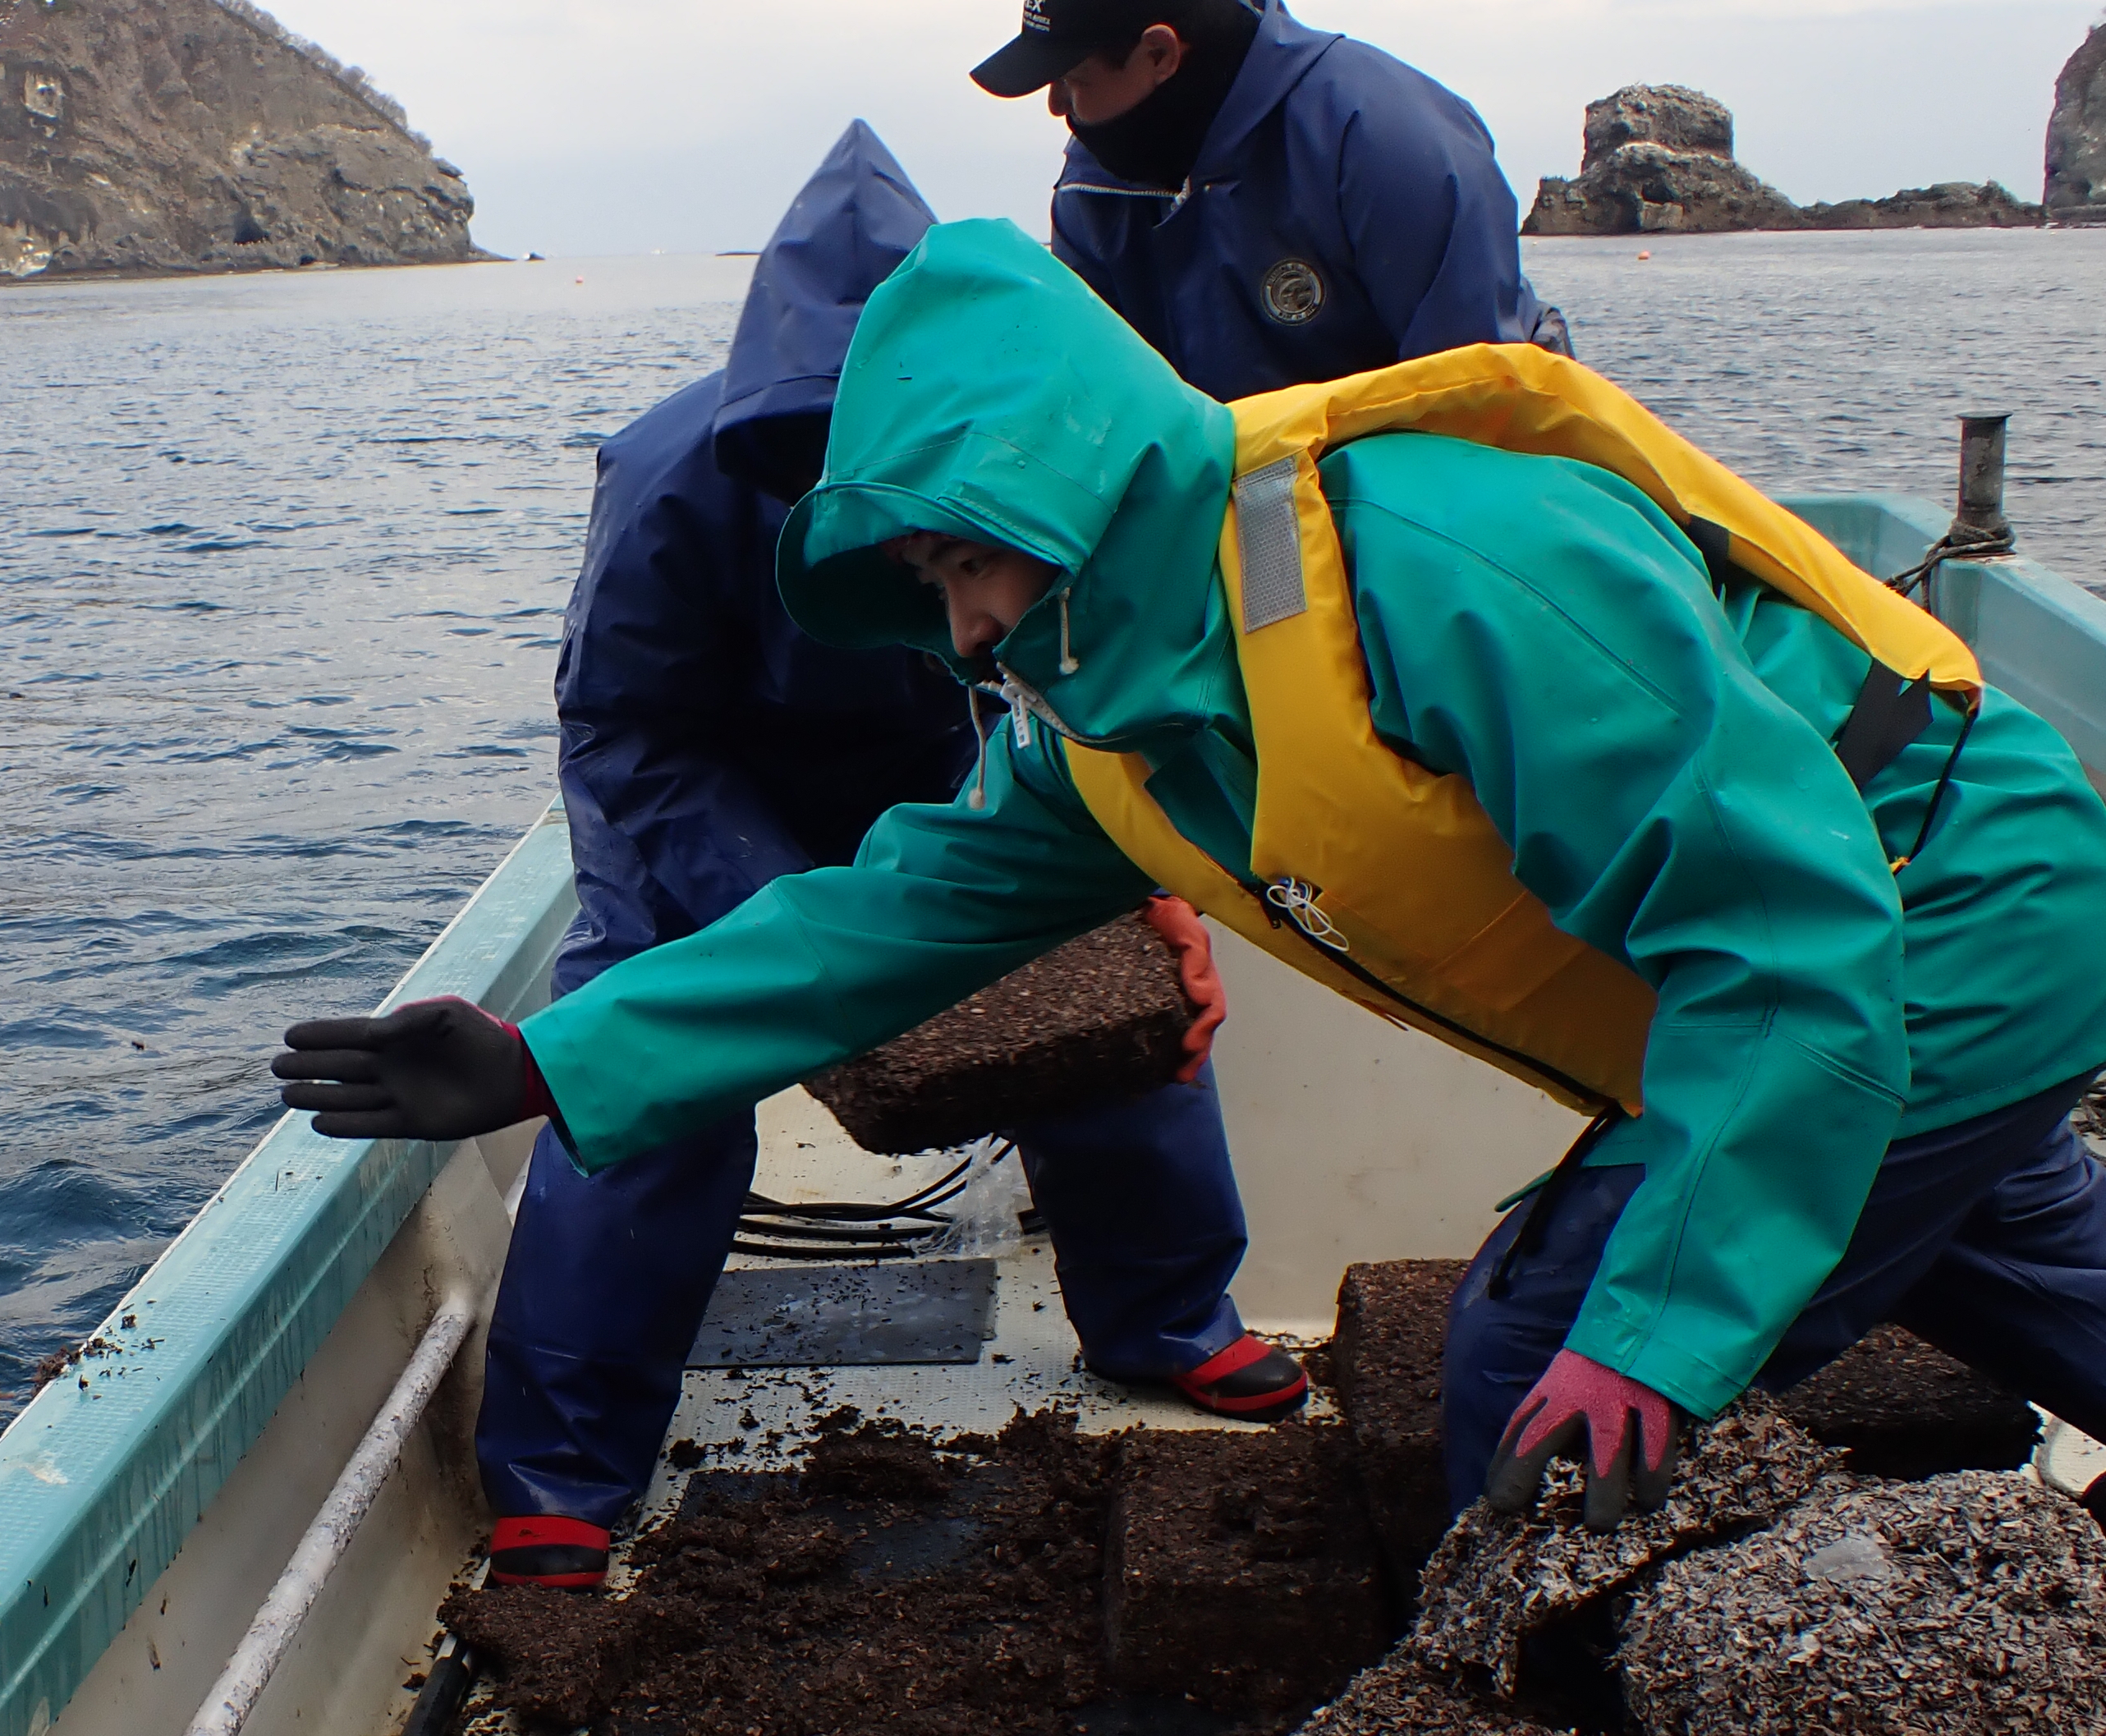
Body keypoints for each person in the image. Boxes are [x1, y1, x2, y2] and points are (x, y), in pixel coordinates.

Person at [274, 219, 2106, 1532]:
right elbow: (874, 925)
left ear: (1063, 477)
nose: (960, 625)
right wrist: (547, 1061)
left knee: (1534, 1355)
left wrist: (1654, 1337)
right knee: (1997, 1259)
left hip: (1937, 918)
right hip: (1902, 957)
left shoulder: (1439, 564)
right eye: (925, 585)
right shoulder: (1111, 724)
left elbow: (1790, 941)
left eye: (964, 559)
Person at [465, 127, 1301, 1591]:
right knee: (651, 1053)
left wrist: (1151, 886)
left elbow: (1084, 690)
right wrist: (774, 916)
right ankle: (563, 1466)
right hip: (702, 785)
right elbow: (627, 723)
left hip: (951, 770)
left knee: (1110, 1000)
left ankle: (1165, 1315)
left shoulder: (1021, 464)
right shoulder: (668, 476)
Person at [970, 0, 1571, 400]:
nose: (1056, 106)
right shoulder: (1095, 184)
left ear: (1159, 54)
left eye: (1073, 80)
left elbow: (1475, 404)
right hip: (1243, 493)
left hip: (1427, 480)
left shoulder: (1389, 143)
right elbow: (1091, 398)